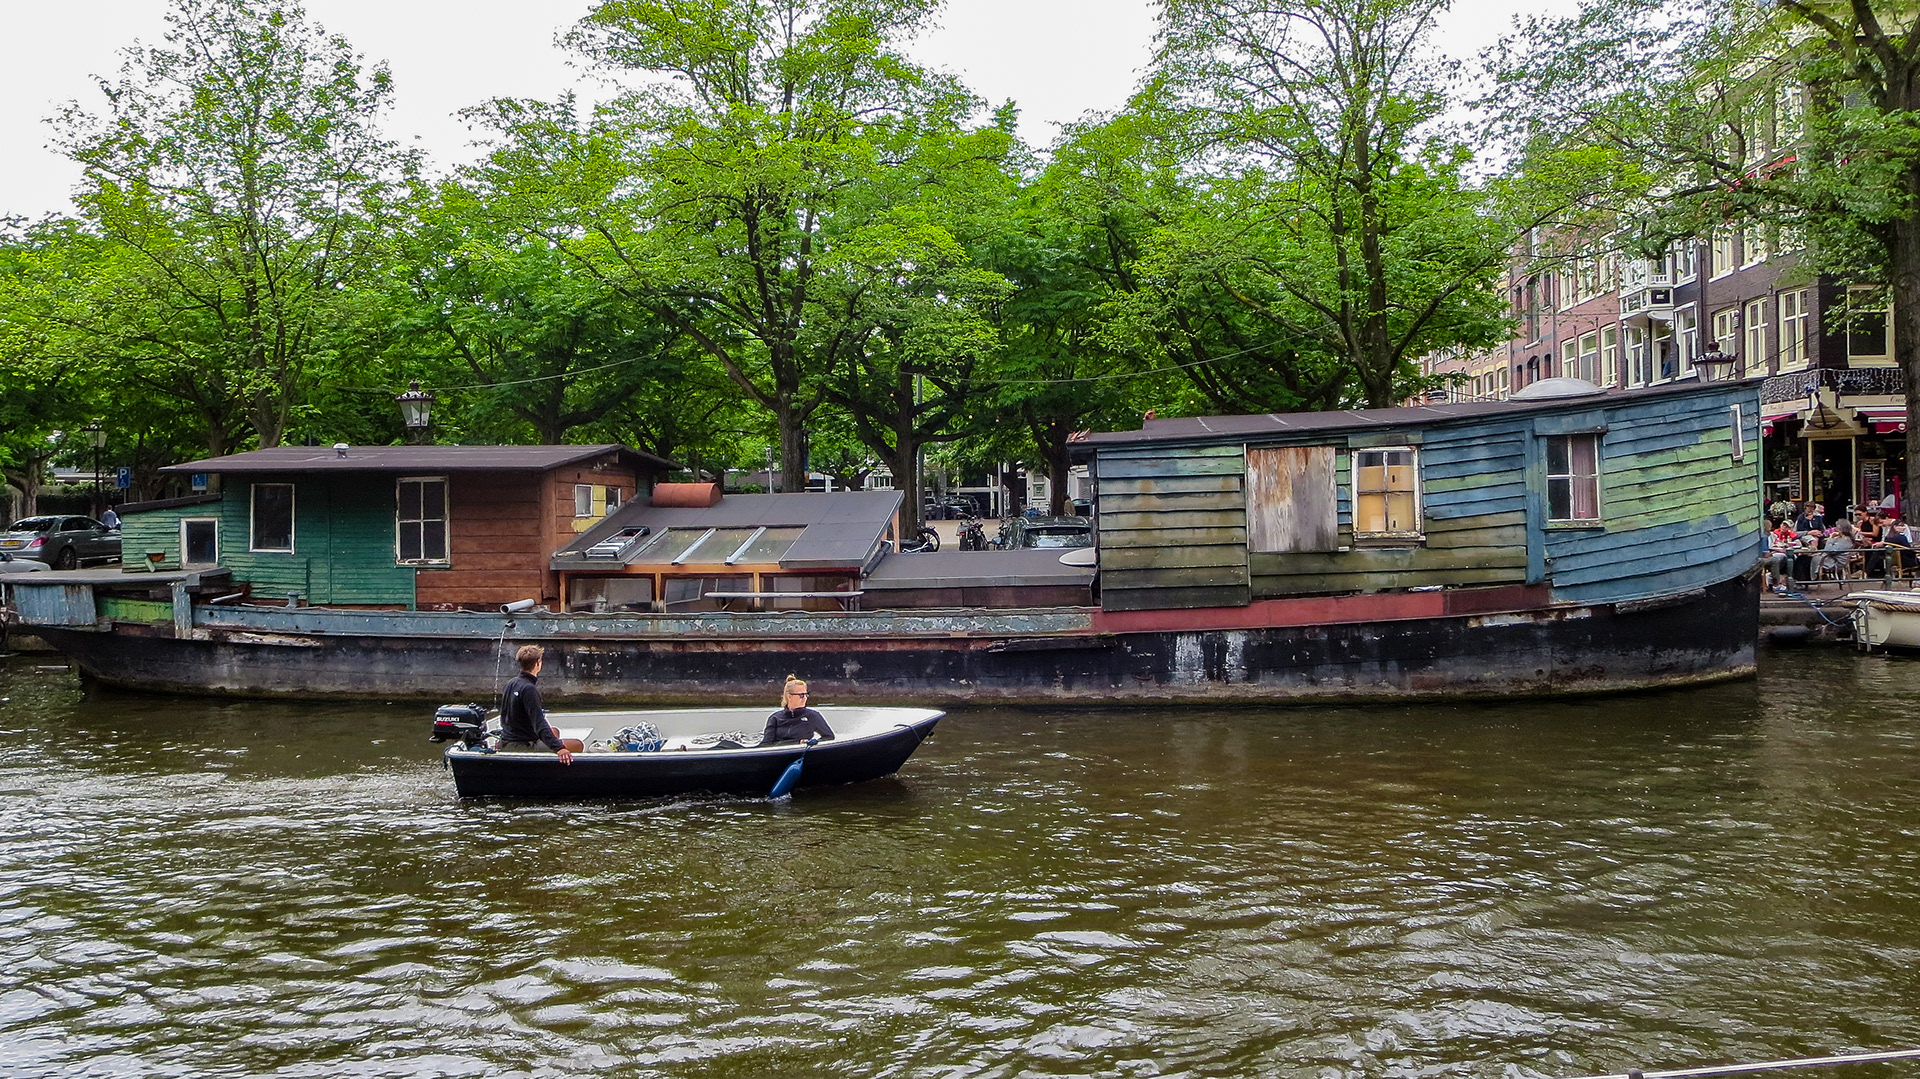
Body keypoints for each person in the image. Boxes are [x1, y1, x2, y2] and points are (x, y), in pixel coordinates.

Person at [498, 644, 575, 763]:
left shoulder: (511, 683)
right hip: (522, 745)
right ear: (538, 663)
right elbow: (539, 723)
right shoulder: (529, 689)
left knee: (554, 731)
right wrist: (559, 748)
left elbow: (504, 715)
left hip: (507, 740)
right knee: (576, 744)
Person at [761, 674, 834, 746]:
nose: (805, 698)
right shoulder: (775, 718)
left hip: (803, 751)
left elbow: (829, 737)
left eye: (806, 694)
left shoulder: (813, 716)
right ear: (789, 696)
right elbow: (766, 744)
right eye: (801, 695)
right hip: (780, 751)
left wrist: (812, 742)